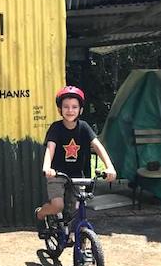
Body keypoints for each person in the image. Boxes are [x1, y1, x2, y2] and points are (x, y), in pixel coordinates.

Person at [35, 85, 116, 235]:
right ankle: (41, 214)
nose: (70, 110)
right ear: (60, 110)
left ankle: (71, 235)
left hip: (77, 176)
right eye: (66, 107)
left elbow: (98, 147)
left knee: (74, 210)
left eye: (74, 107)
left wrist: (109, 167)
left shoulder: (84, 127)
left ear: (81, 110)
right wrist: (47, 167)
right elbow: (50, 148)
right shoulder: (56, 128)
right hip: (57, 174)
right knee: (58, 205)